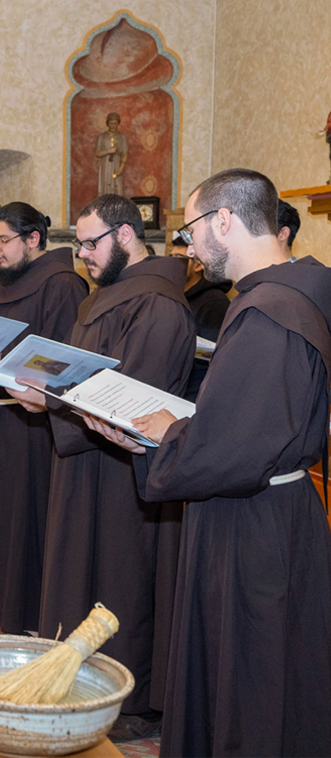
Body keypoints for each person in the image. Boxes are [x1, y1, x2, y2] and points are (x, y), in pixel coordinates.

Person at [85, 168, 331, 758]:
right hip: (279, 507)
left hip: (251, 524)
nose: (187, 246)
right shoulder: (300, 290)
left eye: (191, 230)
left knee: (252, 674)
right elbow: (257, 419)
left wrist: (159, 439)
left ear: (224, 220)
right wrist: (176, 433)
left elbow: (233, 447)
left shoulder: (267, 313)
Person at [8, 194, 194, 740]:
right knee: (78, 567)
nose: (82, 254)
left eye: (91, 242)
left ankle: (129, 698)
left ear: (127, 235)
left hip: (127, 474)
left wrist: (53, 403)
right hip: (85, 461)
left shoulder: (158, 304)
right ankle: (76, 678)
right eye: (79, 243)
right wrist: (42, 387)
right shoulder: (104, 296)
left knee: (122, 577)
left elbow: (138, 401)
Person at [0, 202, 87, 631]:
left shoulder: (62, 284)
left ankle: (26, 610)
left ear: (33, 239)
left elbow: (63, 360)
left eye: (3, 239)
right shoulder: (0, 280)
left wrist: (5, 361)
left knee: (23, 517)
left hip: (30, 421)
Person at [172, 234, 230, 401]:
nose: (171, 264)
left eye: (178, 258)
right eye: (171, 256)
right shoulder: (179, 296)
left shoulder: (214, 303)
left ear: (197, 264)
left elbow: (214, 360)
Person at [95, 113, 128, 196]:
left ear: (118, 123)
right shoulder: (102, 137)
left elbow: (124, 153)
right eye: (111, 123)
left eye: (115, 123)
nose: (113, 125)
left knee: (118, 187)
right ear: (107, 124)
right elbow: (97, 153)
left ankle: (117, 208)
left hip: (117, 164)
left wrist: (120, 168)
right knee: (105, 186)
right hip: (105, 164)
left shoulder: (122, 137)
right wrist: (108, 151)